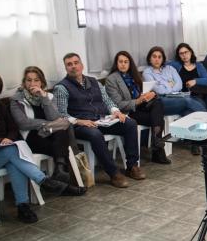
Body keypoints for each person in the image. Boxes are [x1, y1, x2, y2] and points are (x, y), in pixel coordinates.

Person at [0, 73, 83, 224]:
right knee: (13, 152)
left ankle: (23, 207)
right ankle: (43, 180)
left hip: (4, 153)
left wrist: (9, 137)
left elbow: (13, 129)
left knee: (14, 161)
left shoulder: (0, 108)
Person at [54, 53, 144, 188]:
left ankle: (132, 166)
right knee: (95, 134)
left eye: (76, 62)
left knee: (130, 123)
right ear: (66, 68)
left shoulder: (94, 81)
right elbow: (61, 114)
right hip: (79, 126)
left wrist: (116, 111)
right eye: (69, 64)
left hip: (101, 120)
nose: (73, 66)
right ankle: (113, 173)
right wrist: (79, 121)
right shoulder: (61, 87)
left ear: (81, 65)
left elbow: (107, 100)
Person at [10, 66, 81, 182]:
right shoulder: (17, 100)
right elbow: (23, 123)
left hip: (50, 134)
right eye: (29, 80)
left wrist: (44, 98)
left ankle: (59, 172)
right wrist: (47, 124)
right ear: (24, 83)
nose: (32, 83)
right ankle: (64, 178)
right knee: (62, 145)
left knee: (62, 134)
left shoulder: (49, 97)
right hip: (31, 137)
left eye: (36, 80)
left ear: (42, 82)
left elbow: (54, 117)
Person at [104, 52, 171, 165]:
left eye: (126, 62)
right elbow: (118, 104)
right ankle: (158, 149)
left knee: (157, 102)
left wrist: (151, 94)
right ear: (116, 63)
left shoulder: (134, 75)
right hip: (128, 112)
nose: (123, 64)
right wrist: (138, 100)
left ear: (130, 63)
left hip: (141, 107)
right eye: (121, 62)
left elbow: (143, 92)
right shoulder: (111, 79)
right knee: (158, 119)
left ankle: (157, 146)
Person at [142, 46, 207, 116]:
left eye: (159, 57)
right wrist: (170, 85)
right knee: (186, 101)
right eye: (154, 57)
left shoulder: (170, 68)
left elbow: (179, 84)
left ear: (163, 59)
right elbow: (158, 90)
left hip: (177, 96)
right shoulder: (147, 73)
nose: (157, 59)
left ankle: (203, 123)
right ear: (149, 59)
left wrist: (165, 86)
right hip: (161, 101)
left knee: (195, 106)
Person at [171, 43, 207, 114]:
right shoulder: (177, 65)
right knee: (202, 107)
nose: (184, 55)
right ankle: (205, 122)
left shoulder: (198, 65)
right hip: (190, 94)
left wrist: (195, 81)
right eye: (181, 53)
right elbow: (164, 64)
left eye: (186, 52)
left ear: (190, 52)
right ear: (179, 56)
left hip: (204, 91)